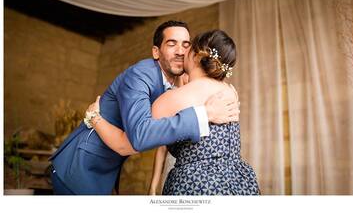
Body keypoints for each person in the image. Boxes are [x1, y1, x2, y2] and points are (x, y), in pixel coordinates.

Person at [49, 21, 240, 195]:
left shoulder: (182, 84)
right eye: (172, 44)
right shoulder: (139, 75)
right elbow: (140, 136)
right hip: (81, 165)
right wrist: (93, 118)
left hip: (110, 167)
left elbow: (164, 134)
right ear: (156, 52)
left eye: (186, 45)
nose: (180, 51)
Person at [147, 30, 260, 195]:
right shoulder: (230, 90)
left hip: (195, 184)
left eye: (189, 46)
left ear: (197, 55)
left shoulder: (175, 98)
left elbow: (140, 132)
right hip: (239, 182)